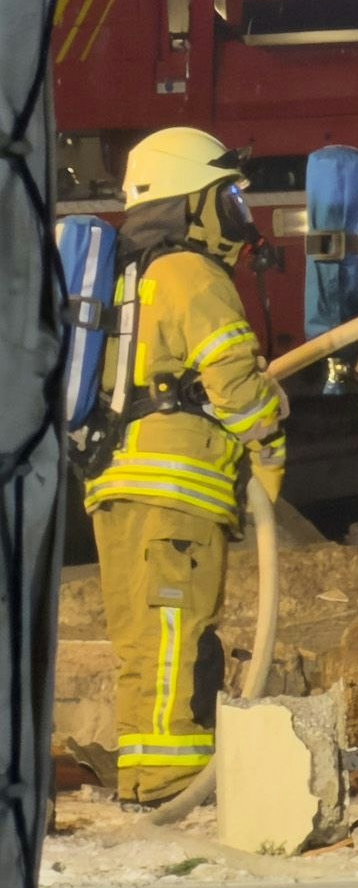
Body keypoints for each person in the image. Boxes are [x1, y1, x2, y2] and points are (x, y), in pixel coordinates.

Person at [85, 128, 286, 806]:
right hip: (175, 489)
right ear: (190, 200)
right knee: (175, 633)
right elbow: (235, 384)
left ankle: (146, 777)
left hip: (119, 483)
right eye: (227, 196)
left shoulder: (130, 274)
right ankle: (174, 783)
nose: (238, 211)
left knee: (143, 639)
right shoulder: (189, 272)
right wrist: (270, 426)